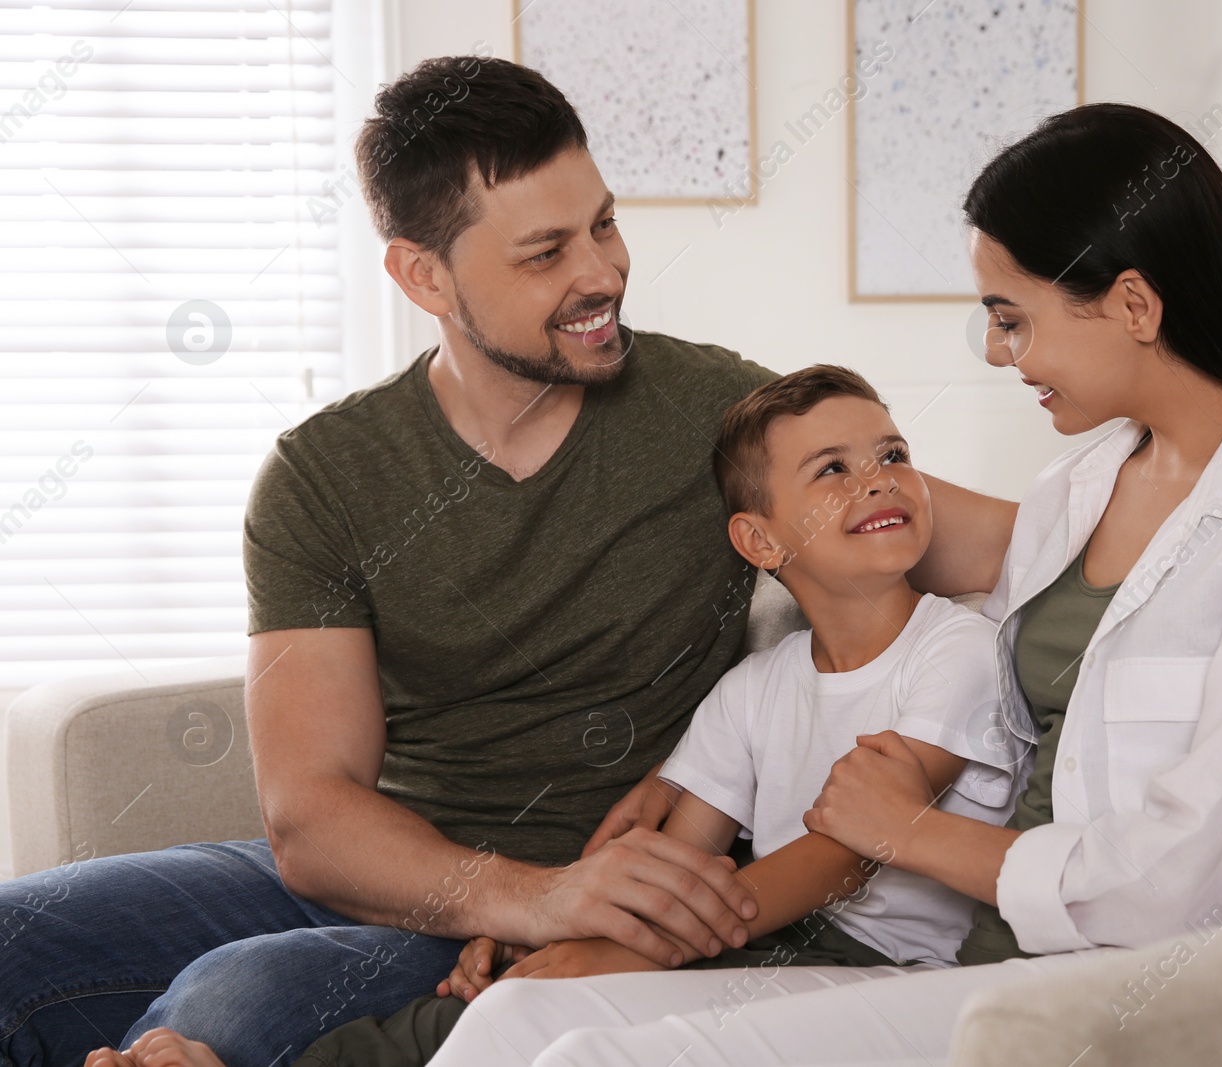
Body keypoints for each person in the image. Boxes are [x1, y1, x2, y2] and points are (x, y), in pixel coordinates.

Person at [362, 101, 1222, 1066]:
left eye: (1011, 316)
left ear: (1136, 304)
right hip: (976, 957)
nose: (1000, 353)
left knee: (603, 1058)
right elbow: (857, 531)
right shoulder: (1080, 486)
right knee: (514, 1022)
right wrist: (602, 897)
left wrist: (910, 833)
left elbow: (1186, 880)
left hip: (1125, 983)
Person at [34, 56, 1017, 1067]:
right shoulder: (326, 473)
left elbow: (1003, 541)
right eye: (545, 252)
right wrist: (529, 895)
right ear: (424, 275)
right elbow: (315, 817)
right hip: (407, 872)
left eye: (603, 224)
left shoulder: (714, 417)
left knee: (231, 1005)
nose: (601, 273)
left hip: (600, 896)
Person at [96, 365, 1031, 1067]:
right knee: (460, 1014)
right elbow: (681, 857)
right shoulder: (760, 686)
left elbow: (851, 848)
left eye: (894, 455)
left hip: (872, 960)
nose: (878, 479)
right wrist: (549, 935)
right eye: (834, 469)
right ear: (759, 539)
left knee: (529, 1013)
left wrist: (629, 946)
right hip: (750, 929)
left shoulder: (953, 648)